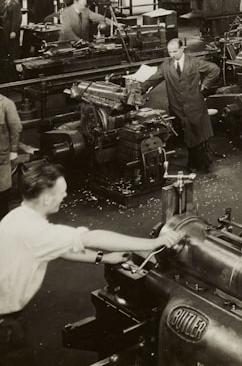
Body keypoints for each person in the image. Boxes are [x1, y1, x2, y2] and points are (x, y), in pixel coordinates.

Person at [0, 164, 183, 359]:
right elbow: (91, 239)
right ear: (46, 198)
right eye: (62, 192)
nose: (65, 195)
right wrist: (154, 242)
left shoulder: (17, 217)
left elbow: (62, 249)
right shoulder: (36, 232)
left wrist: (103, 257)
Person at [140, 39, 221, 172]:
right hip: (178, 108)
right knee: (188, 135)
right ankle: (195, 163)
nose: (172, 55)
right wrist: (139, 89)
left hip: (195, 105)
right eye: (170, 52)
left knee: (198, 134)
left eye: (175, 51)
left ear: (182, 49)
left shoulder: (194, 62)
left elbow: (215, 69)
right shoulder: (166, 66)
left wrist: (205, 85)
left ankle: (201, 164)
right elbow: (152, 80)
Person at [0, 93, 22, 220]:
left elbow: (15, 128)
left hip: (1, 157)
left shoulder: (6, 104)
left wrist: (13, 150)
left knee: (2, 194)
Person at [0, 0, 19, 80]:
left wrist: (14, 31)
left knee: (13, 52)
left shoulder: (15, 4)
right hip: (5, 31)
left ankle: (14, 75)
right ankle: (7, 74)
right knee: (6, 50)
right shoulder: (4, 4)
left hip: (11, 32)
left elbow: (16, 19)